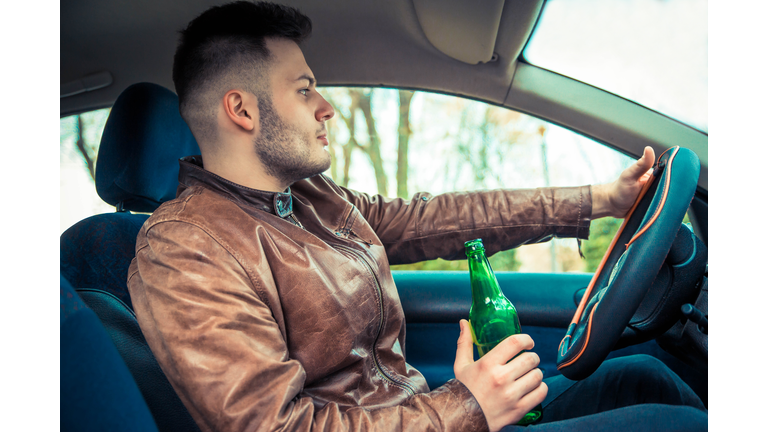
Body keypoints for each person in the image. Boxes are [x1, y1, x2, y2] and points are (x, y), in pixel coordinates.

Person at [127, 2, 707, 431]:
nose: (325, 106)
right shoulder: (185, 249)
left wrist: (596, 200)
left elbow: (437, 220)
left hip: (421, 414)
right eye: (304, 90)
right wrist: (466, 406)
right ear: (242, 110)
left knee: (645, 379)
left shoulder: (309, 199)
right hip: (439, 419)